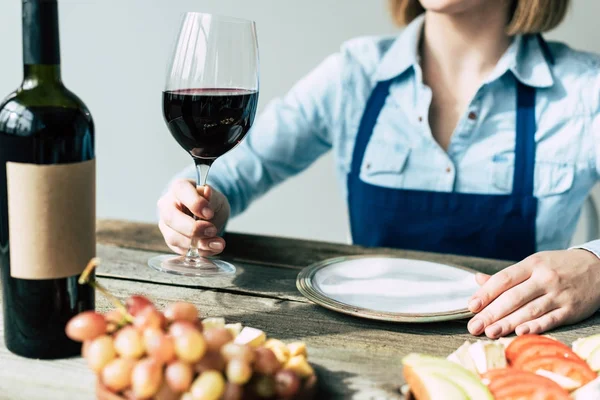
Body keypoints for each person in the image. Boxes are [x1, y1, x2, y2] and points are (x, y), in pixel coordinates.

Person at [157, 0, 600, 338]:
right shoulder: (353, 74)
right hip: (356, 340)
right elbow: (234, 175)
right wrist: (190, 207)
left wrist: (594, 266)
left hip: (509, 351)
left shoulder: (585, 91)